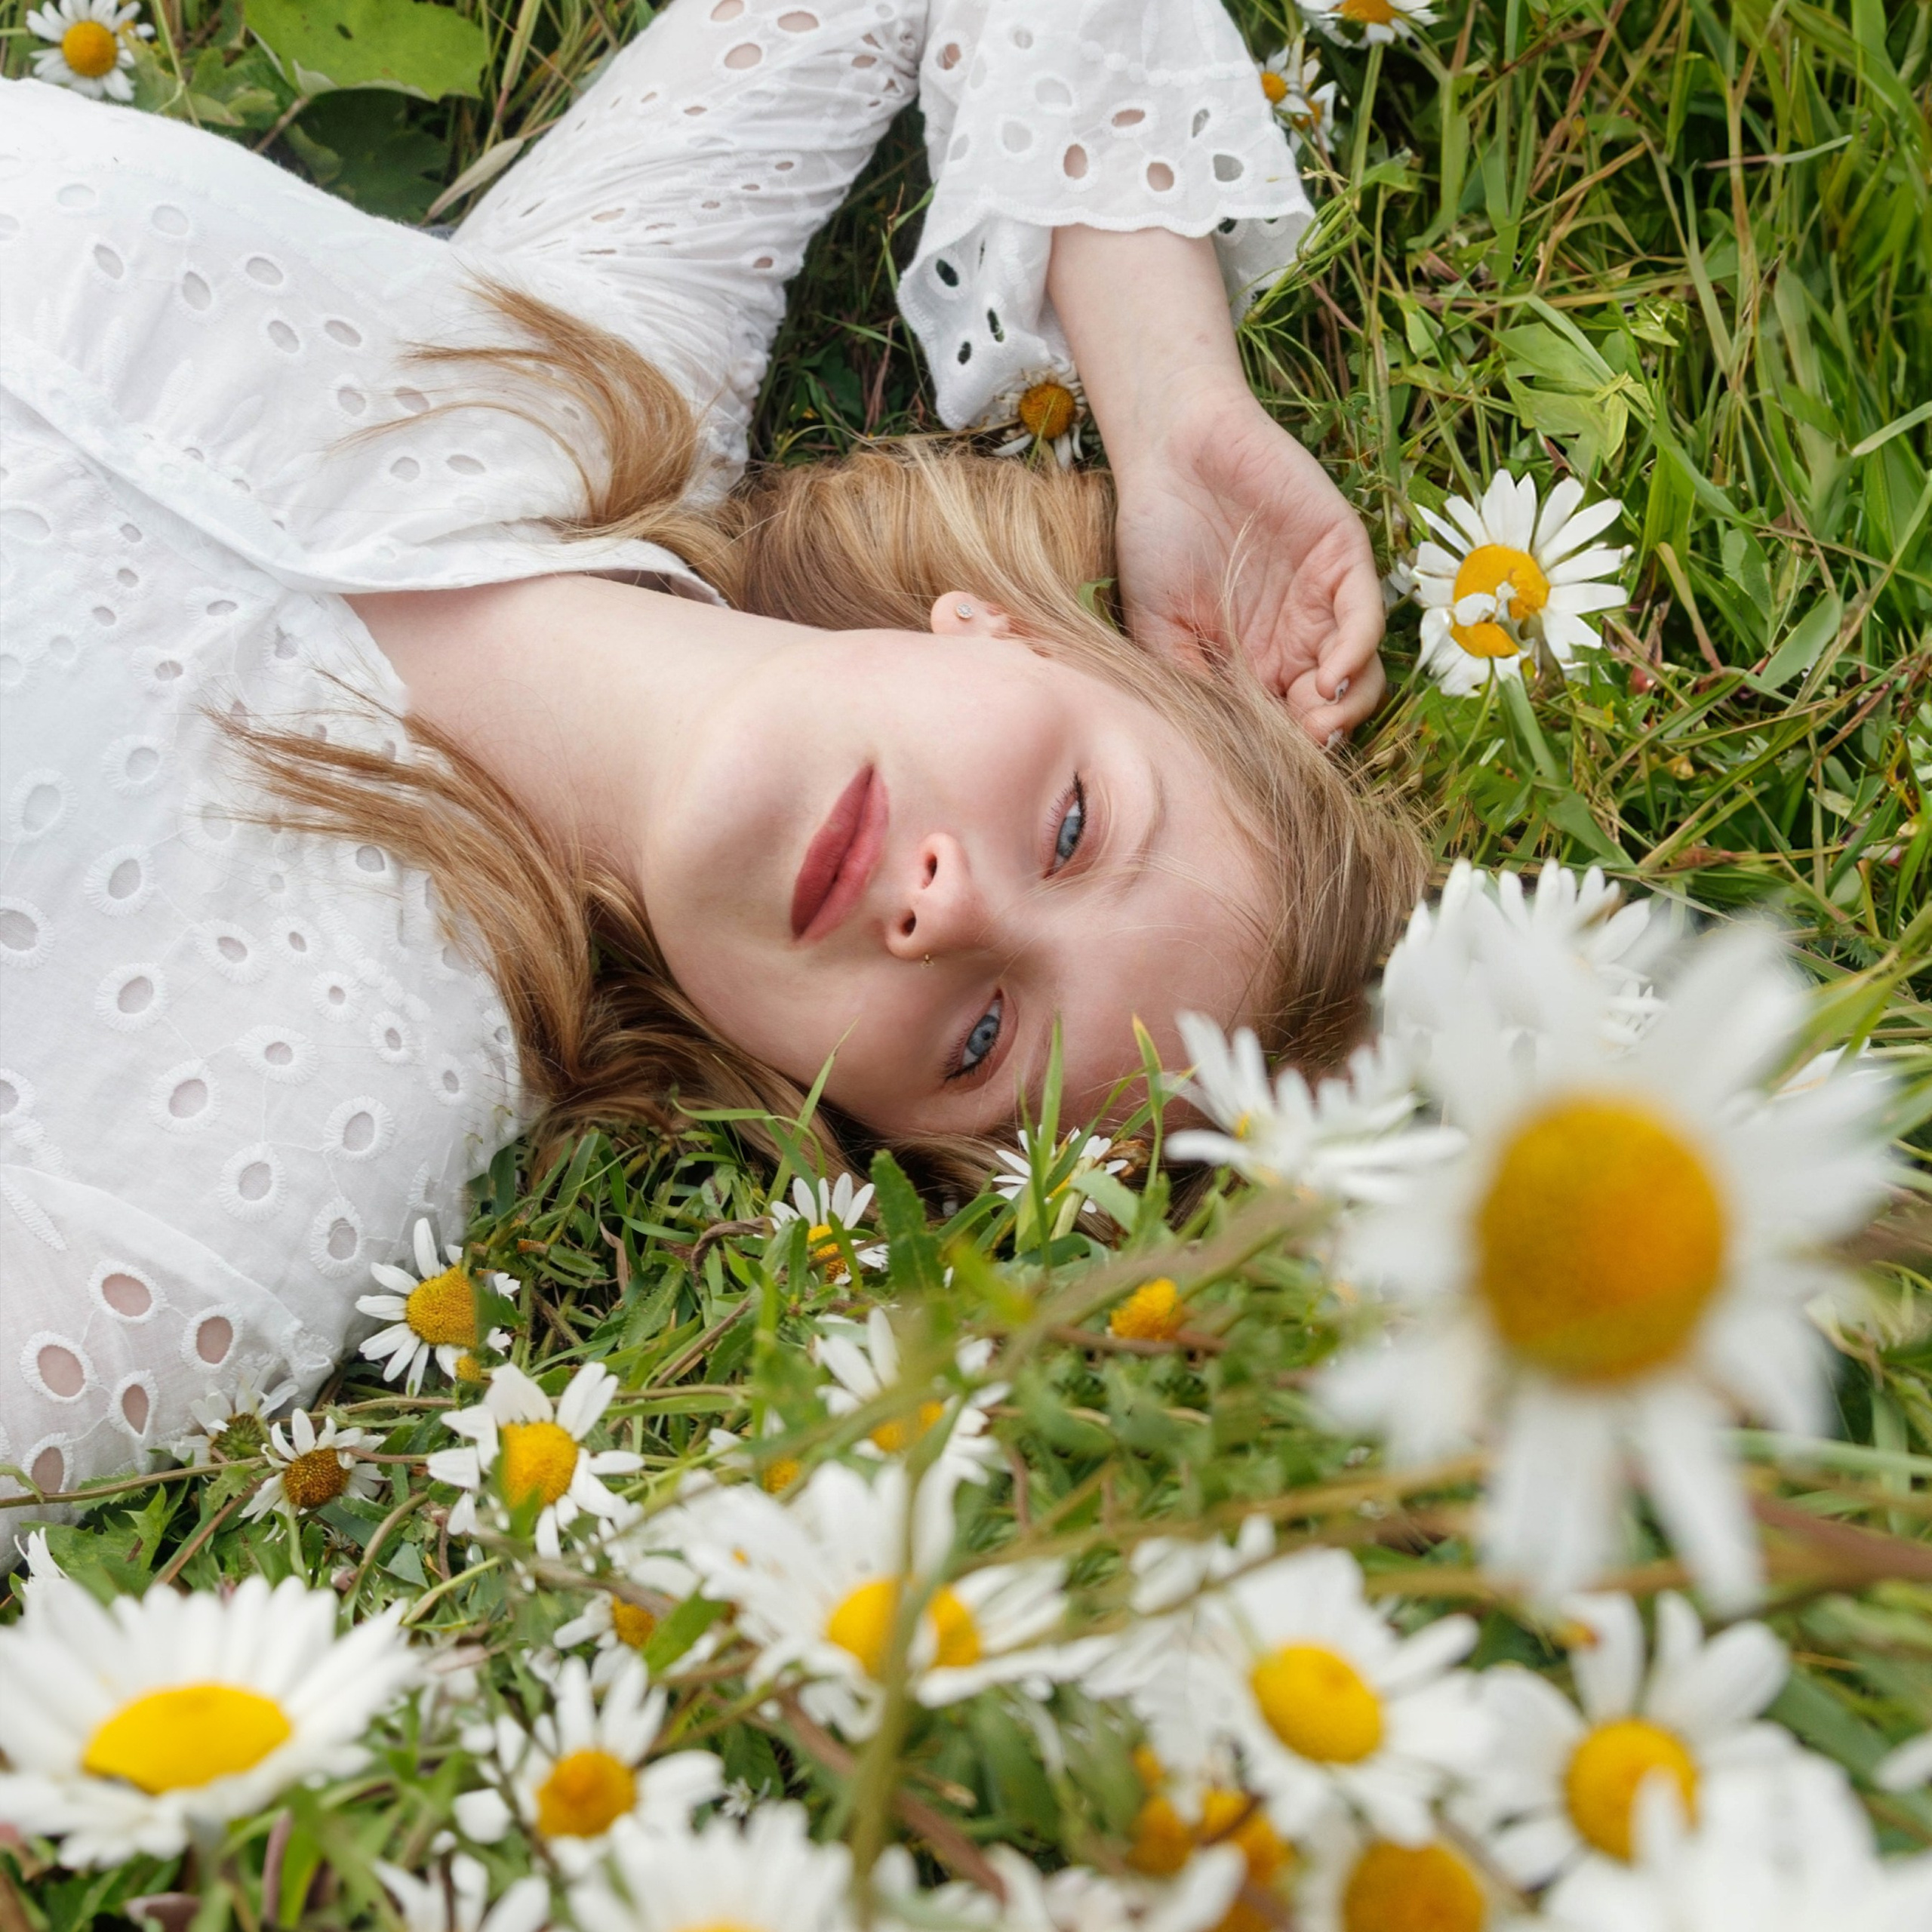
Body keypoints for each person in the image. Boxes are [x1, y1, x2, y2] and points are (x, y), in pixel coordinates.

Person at [0, 0, 1420, 1526]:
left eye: (978, 1040)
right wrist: (1176, 407)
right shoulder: (607, 344)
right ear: (1015, 639)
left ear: (834, 1119)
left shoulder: (279, 1168)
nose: (950, 909)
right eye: (1073, 824)